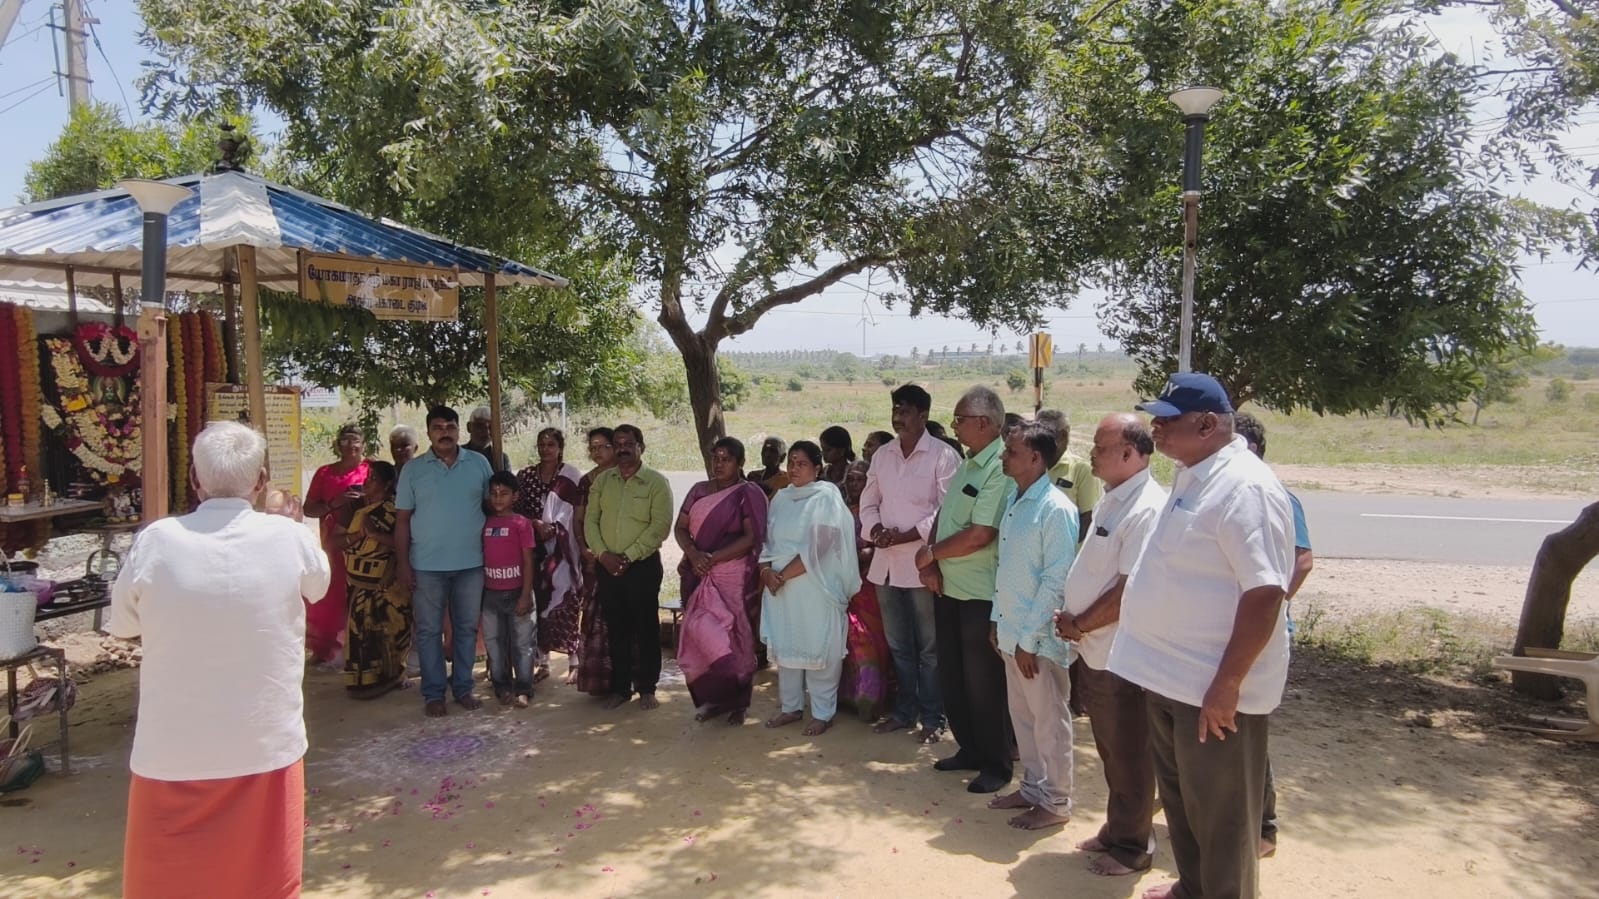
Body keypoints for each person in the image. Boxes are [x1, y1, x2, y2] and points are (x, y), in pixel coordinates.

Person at [109, 421, 331, 899]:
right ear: (262, 480)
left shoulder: (156, 540)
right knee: (265, 883)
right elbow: (319, 586)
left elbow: (124, 623)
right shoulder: (288, 539)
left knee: (168, 884)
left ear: (194, 478)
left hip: (174, 751)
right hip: (263, 745)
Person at [1109, 373, 1295, 899]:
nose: (1155, 429)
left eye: (1167, 420)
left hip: (1211, 692)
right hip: (1170, 678)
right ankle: (1193, 890)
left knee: (1223, 820)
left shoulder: (1246, 487)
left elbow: (1264, 593)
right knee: (1187, 807)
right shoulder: (1196, 473)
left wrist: (1228, 683)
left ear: (1208, 424)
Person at [1055, 413, 1167, 877]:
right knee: (1110, 748)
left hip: (1120, 653)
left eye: (1101, 448)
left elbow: (1129, 590)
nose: (1093, 455)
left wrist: (1080, 622)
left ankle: (1133, 845)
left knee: (1130, 753)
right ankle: (1118, 827)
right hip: (1095, 648)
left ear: (1129, 453)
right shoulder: (1113, 499)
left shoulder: (1145, 508)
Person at [917, 386, 1014, 793]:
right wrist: (933, 561)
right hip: (949, 588)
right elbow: (945, 514)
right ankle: (969, 749)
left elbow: (980, 534)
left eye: (959, 419)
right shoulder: (969, 462)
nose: (954, 426)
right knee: (954, 676)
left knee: (983, 681)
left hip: (979, 592)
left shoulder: (999, 467)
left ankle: (997, 762)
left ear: (984, 423)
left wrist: (930, 554)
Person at [988, 422, 1079, 829]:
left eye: (1010, 451)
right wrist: (997, 621)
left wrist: (1028, 639)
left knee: (1049, 723)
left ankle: (1056, 802)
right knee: (1023, 718)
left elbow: (1055, 580)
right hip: (1011, 632)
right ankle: (1033, 788)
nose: (1004, 456)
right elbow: (1006, 567)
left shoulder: (1055, 508)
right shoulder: (1014, 498)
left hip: (1037, 640)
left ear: (1036, 459)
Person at [1234, 412, 1316, 859]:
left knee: (1250, 732)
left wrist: (1270, 605)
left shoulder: (1277, 495)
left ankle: (1263, 828)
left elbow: (1302, 561)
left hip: (1262, 634)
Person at [859, 383, 960, 743]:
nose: (898, 417)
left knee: (929, 649)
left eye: (905, 411)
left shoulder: (944, 456)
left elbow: (946, 512)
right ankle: (905, 712)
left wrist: (904, 536)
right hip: (885, 564)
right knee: (900, 645)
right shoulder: (883, 455)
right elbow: (869, 501)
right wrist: (875, 531)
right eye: (895, 410)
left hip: (921, 565)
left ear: (923, 415)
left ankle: (933, 717)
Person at [396, 405, 494, 718]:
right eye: (437, 427)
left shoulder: (478, 464)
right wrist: (402, 564)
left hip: (471, 563)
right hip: (426, 565)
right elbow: (402, 521)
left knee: (466, 629)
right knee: (428, 632)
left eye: (450, 426)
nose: (445, 432)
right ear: (428, 433)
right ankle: (434, 693)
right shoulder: (413, 470)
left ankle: (463, 687)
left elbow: (493, 508)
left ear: (458, 430)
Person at [759, 440, 862, 736]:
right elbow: (766, 540)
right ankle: (790, 707)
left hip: (815, 586)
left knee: (820, 648)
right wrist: (766, 571)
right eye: (791, 462)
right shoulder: (780, 498)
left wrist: (784, 575)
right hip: (781, 587)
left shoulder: (826, 497)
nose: (794, 468)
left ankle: (823, 712)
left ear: (817, 469)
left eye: (802, 463)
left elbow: (823, 545)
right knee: (787, 645)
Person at [674, 437, 769, 724]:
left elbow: (751, 537)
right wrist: (692, 554)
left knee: (735, 637)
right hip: (698, 573)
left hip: (733, 576)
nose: (719, 463)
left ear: (740, 464)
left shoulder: (747, 493)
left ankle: (739, 702)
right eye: (716, 457)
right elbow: (680, 528)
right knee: (698, 633)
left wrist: (711, 558)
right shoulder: (698, 491)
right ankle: (711, 699)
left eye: (726, 459)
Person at [584, 423, 674, 710]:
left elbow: (659, 527)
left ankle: (647, 687)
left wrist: (628, 556)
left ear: (641, 447)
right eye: (618, 443)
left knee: (646, 628)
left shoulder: (656, 483)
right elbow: (590, 521)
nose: (623, 448)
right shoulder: (602, 482)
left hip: (642, 567)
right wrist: (602, 555)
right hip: (607, 567)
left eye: (628, 443)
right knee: (617, 629)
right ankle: (621, 688)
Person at [515, 428, 587, 685]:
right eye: (541, 444)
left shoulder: (571, 475)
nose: (546, 449)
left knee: (568, 602)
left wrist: (555, 529)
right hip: (534, 550)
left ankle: (574, 662)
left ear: (560, 447)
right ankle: (542, 661)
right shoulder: (525, 476)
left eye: (551, 444)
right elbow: (517, 510)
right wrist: (536, 525)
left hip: (564, 552)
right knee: (540, 603)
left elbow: (577, 512)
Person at [342, 460, 412, 699]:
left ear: (388, 483)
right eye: (367, 477)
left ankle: (392, 678)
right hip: (357, 584)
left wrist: (375, 534)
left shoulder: (394, 511)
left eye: (373, 477)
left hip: (385, 585)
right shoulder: (360, 510)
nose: (367, 481)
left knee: (385, 633)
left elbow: (406, 544)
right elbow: (339, 542)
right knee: (360, 635)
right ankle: (362, 681)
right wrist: (359, 535)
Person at [302, 423, 370, 668]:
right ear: (337, 444)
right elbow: (308, 508)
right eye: (345, 440)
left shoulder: (372, 470)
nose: (350, 446)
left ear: (364, 444)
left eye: (355, 441)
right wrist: (334, 503)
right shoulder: (325, 473)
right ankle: (328, 649)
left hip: (365, 543)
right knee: (332, 596)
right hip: (333, 545)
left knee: (363, 594)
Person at [841, 459, 891, 721]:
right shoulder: (839, 509)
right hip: (844, 585)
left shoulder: (877, 512)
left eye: (860, 479)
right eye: (850, 479)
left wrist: (854, 555)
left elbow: (880, 546)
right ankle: (849, 697)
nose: (854, 484)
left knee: (869, 641)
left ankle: (871, 698)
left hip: (869, 585)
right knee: (847, 640)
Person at [483, 470, 537, 707]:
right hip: (490, 594)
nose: (498, 499)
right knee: (494, 643)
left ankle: (524, 688)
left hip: (518, 593)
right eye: (494, 493)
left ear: (515, 496)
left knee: (523, 644)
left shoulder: (521, 524)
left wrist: (525, 595)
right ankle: (501, 686)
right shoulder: (484, 523)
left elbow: (528, 560)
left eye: (504, 494)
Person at [574, 427, 618, 696]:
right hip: (595, 557)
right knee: (595, 616)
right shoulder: (587, 482)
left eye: (603, 446)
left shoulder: (627, 477)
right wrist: (584, 550)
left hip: (624, 555)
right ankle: (599, 680)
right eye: (593, 447)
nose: (597, 452)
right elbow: (579, 520)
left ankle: (627, 678)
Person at [1037, 409, 1101, 541]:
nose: (1039, 440)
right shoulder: (1031, 465)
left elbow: (1088, 520)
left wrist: (1059, 549)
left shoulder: (1082, 470)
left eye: (1046, 435)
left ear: (1063, 436)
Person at [464, 405, 512, 471]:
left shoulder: (501, 459)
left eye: (490, 427)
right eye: (480, 426)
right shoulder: (457, 455)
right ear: (469, 427)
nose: (486, 432)